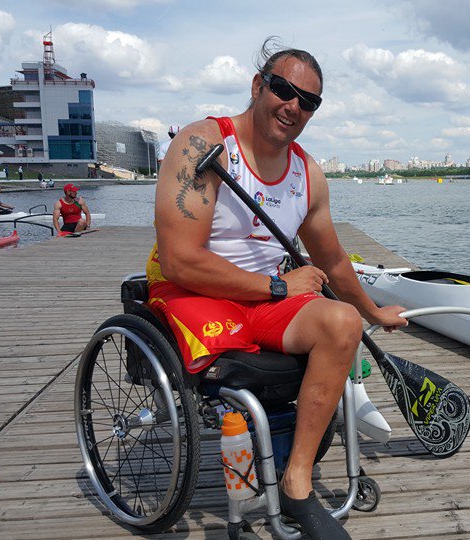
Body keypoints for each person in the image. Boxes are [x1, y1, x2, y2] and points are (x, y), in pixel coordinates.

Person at [146, 39, 406, 539]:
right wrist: (276, 285)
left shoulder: (307, 173)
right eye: (284, 89)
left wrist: (372, 313)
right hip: (195, 293)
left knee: (341, 323)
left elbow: (330, 259)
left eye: (308, 101)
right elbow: (180, 260)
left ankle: (297, 482)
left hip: (267, 298)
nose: (293, 106)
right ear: (257, 86)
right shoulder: (204, 144)